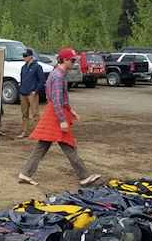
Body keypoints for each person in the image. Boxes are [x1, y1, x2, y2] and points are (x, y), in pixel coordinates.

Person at [18, 48, 101, 186]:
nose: (74, 63)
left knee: (43, 146)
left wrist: (70, 110)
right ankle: (84, 176)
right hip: (55, 116)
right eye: (73, 60)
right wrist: (62, 120)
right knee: (68, 145)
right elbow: (56, 100)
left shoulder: (57, 73)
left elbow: (58, 99)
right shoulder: (58, 76)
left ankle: (26, 173)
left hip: (54, 113)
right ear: (66, 60)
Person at [17, 48, 45, 139]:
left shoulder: (37, 67)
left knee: (35, 113)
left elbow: (42, 80)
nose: (24, 58)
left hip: (31, 94)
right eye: (23, 56)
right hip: (23, 93)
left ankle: (37, 132)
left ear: (31, 56)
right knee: (24, 114)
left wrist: (36, 91)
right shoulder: (23, 67)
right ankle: (24, 131)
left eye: (26, 56)